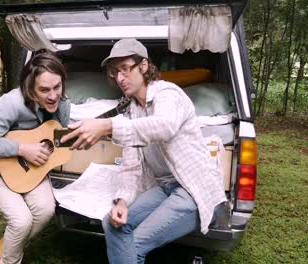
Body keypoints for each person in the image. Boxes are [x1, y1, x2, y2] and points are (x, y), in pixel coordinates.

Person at [60, 38, 226, 264]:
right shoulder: (133, 110)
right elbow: (131, 166)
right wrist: (122, 202)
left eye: (125, 69)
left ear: (144, 66)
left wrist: (108, 126)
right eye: (115, 72)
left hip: (194, 191)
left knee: (133, 246)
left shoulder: (168, 94)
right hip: (166, 188)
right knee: (112, 223)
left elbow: (163, 126)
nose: (119, 78)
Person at [0, 50, 70, 264]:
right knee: (21, 221)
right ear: (30, 88)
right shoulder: (10, 103)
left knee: (44, 211)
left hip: (33, 173)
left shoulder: (62, 105)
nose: (53, 96)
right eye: (44, 90)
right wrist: (22, 149)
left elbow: (58, 140)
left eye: (57, 87)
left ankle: (6, 245)